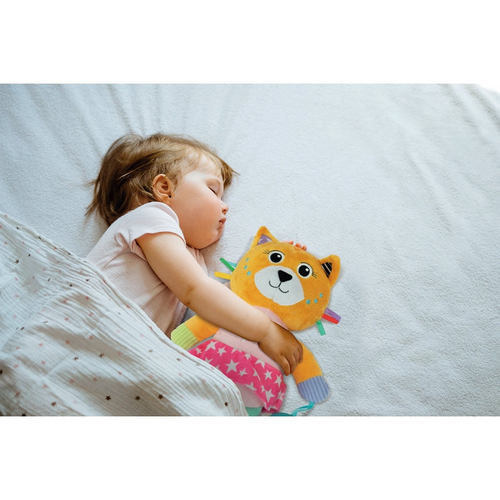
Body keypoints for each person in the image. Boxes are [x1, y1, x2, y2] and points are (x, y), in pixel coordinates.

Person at [86, 133, 303, 375]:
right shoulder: (150, 217)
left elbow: (215, 305)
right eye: (212, 190)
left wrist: (264, 265)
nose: (225, 206)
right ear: (164, 189)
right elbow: (196, 291)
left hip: (121, 361)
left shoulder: (192, 258)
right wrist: (265, 330)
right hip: (90, 330)